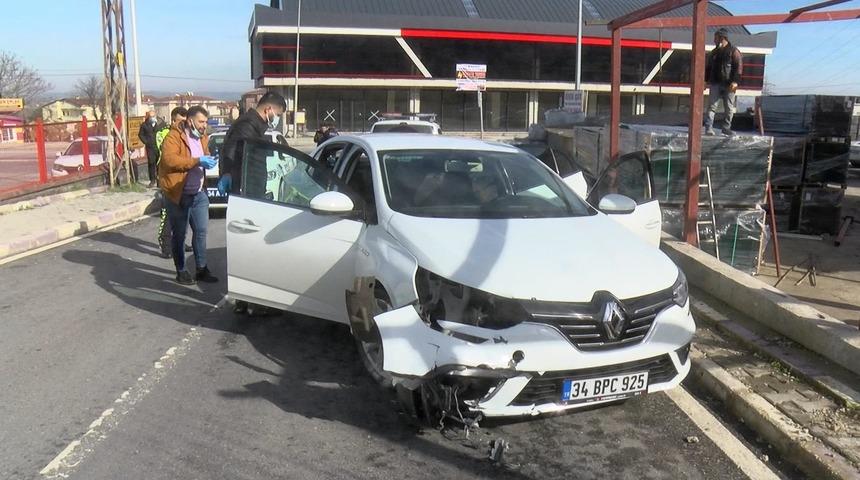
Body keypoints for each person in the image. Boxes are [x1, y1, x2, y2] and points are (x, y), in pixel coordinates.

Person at [159, 105, 219, 285]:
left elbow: (204, 155)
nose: (204, 125)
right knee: (179, 235)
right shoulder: (174, 137)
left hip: (199, 193)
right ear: (190, 120)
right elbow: (170, 160)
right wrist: (196, 161)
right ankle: (182, 271)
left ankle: (201, 268)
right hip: (179, 193)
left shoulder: (203, 138)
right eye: (201, 121)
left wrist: (209, 160)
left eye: (206, 122)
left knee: (201, 231)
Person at [217, 91, 287, 195]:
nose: (278, 119)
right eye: (278, 115)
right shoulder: (247, 126)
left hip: (251, 190)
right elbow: (232, 150)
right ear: (268, 110)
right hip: (246, 190)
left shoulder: (255, 126)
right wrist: (227, 172)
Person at [154, 107, 189, 258]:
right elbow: (167, 156)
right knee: (168, 214)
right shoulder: (163, 134)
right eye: (181, 121)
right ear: (174, 120)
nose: (184, 124)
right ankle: (166, 245)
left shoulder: (186, 134)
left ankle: (180, 241)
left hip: (183, 178)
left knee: (184, 213)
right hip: (167, 178)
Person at [704, 27, 743, 136]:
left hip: (729, 84)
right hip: (715, 82)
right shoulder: (714, 53)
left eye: (715, 38)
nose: (714, 41)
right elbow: (708, 67)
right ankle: (709, 128)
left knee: (729, 108)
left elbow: (738, 67)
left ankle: (726, 128)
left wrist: (735, 81)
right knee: (712, 106)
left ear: (722, 38)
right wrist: (705, 81)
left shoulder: (733, 51)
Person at [139, 111, 159, 187]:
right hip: (150, 147)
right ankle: (152, 180)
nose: (152, 118)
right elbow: (140, 135)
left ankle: (159, 181)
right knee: (151, 163)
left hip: (158, 147)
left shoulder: (159, 124)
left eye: (153, 116)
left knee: (159, 164)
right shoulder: (144, 125)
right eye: (151, 116)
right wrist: (146, 142)